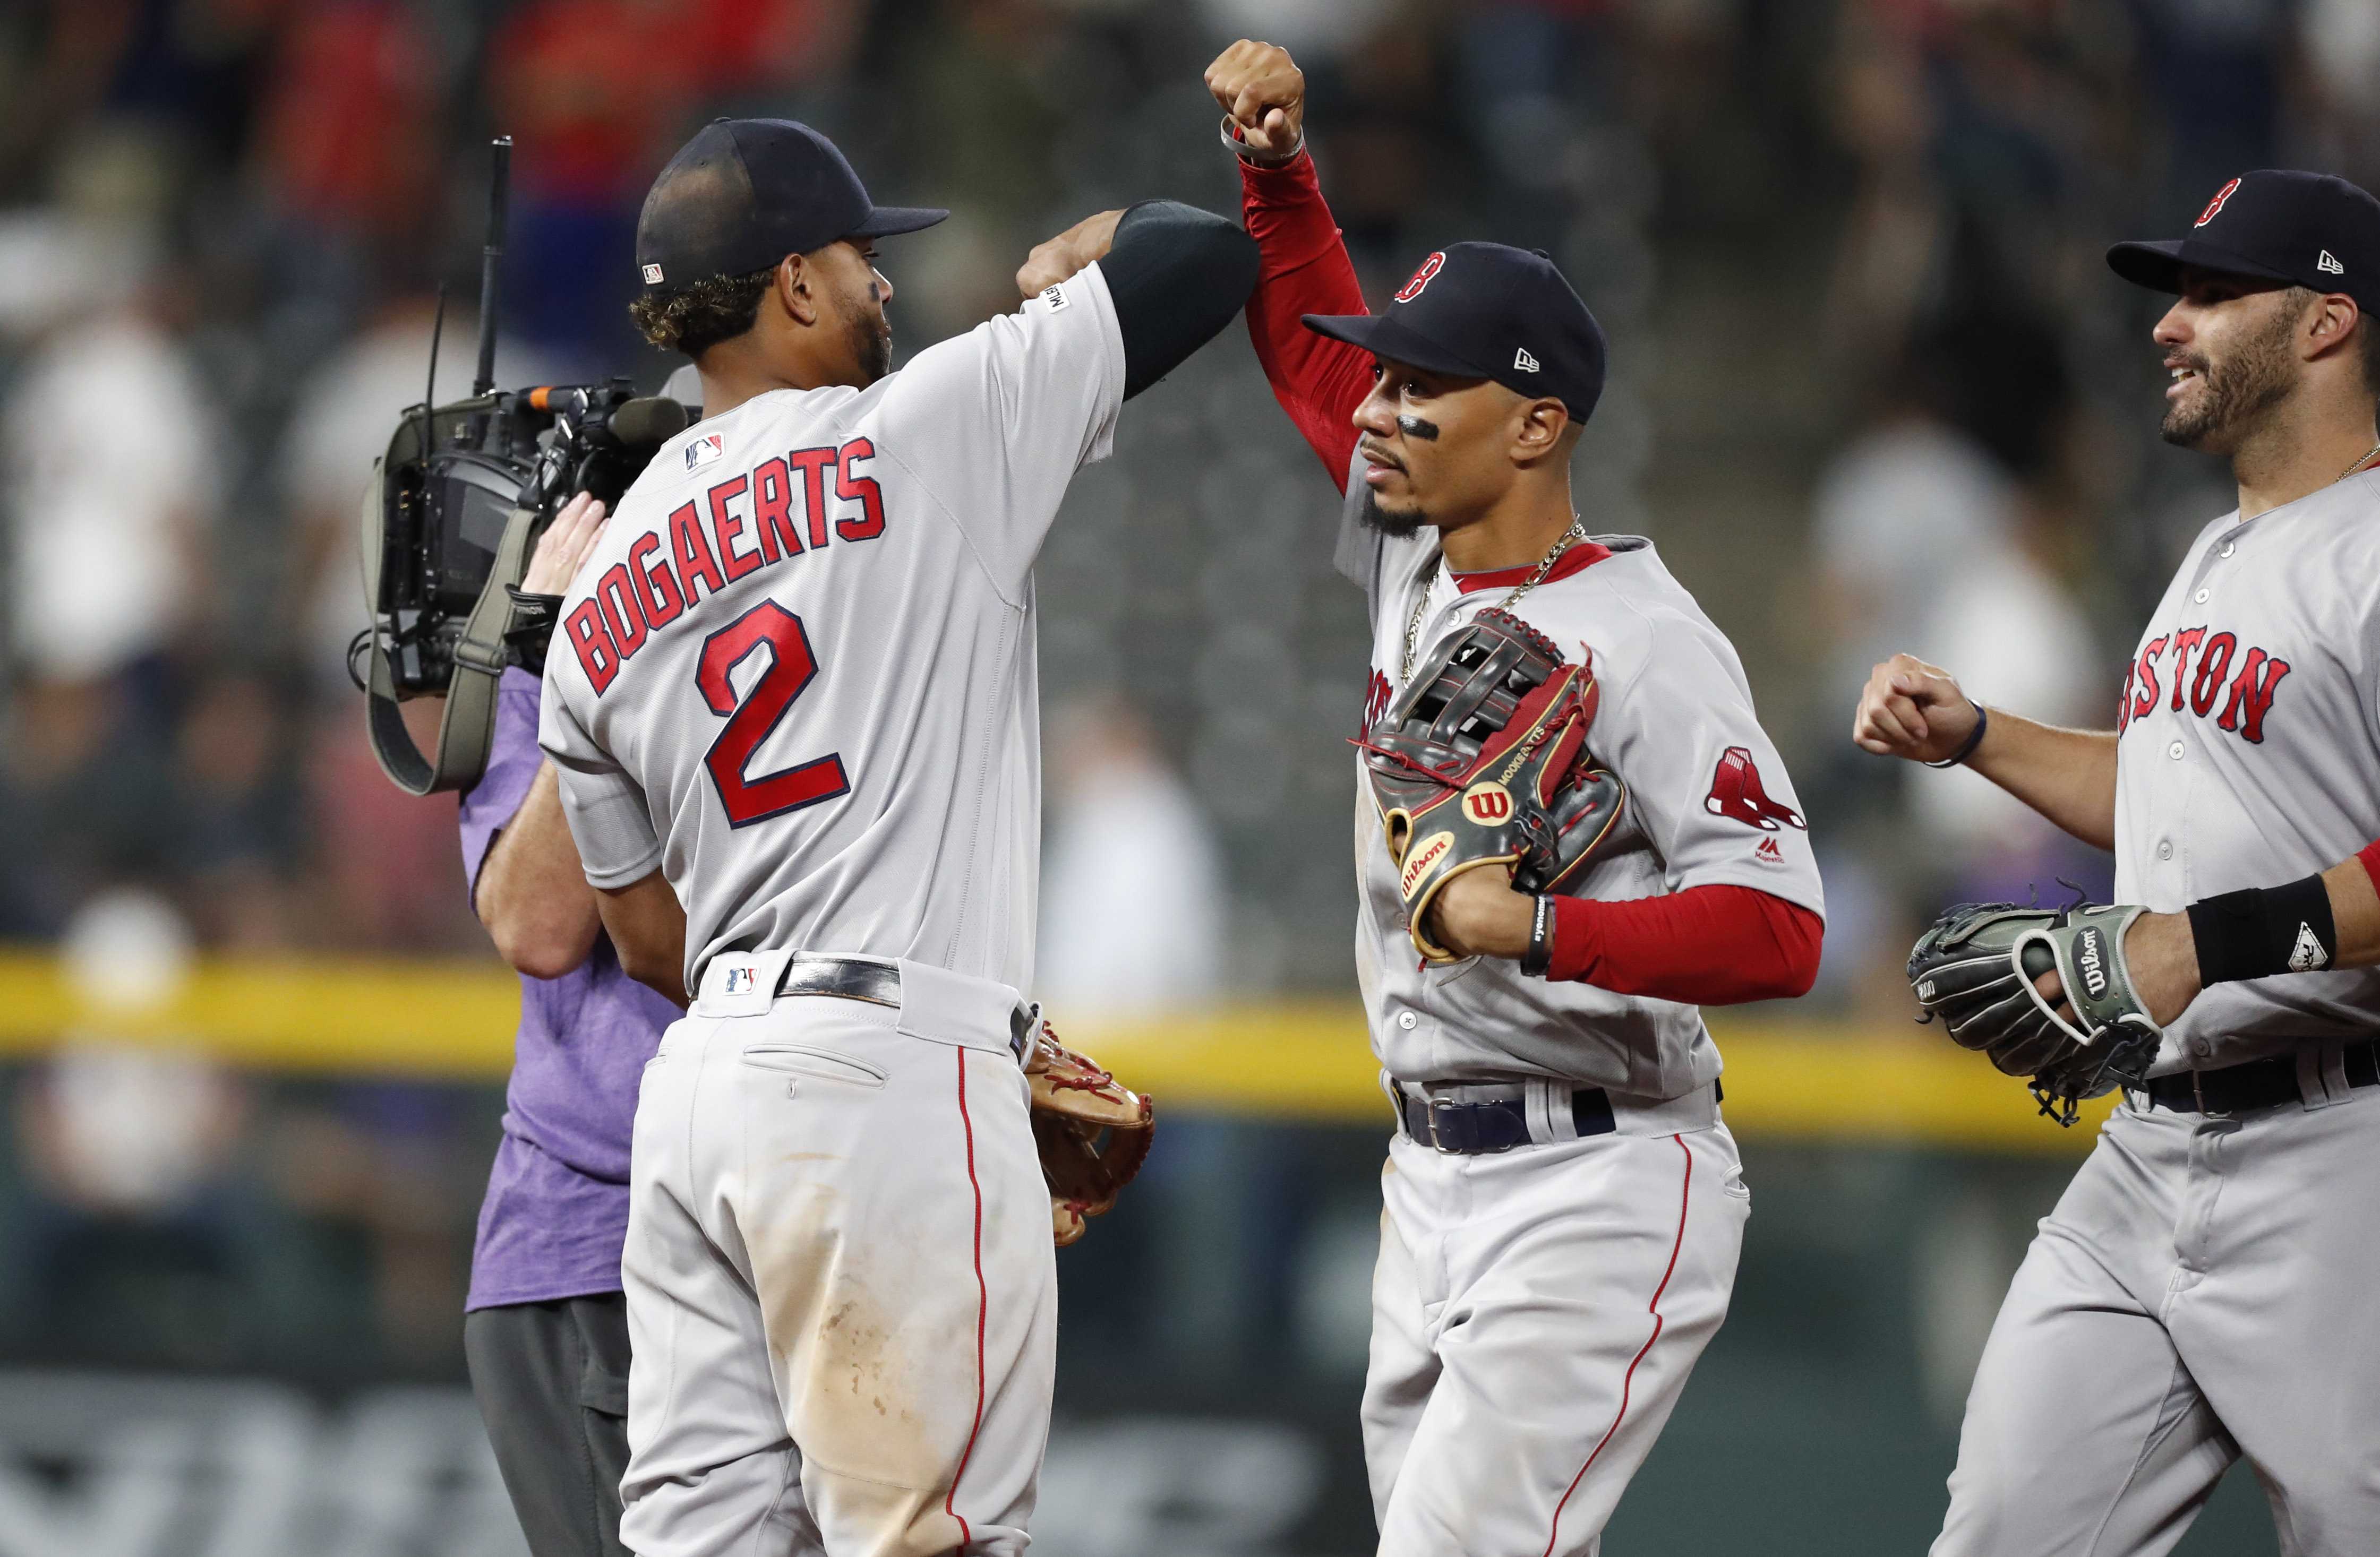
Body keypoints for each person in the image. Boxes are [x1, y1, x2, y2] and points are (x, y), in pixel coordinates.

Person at [535, 119, 1256, 1557]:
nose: (886, 290)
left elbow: (641, 939)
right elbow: (1206, 249)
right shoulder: (921, 426)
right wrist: (1072, 256)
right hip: (890, 1066)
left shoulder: (596, 587)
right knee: (932, 1537)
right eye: (866, 262)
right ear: (794, 285)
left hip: (701, 1099)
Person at [1206, 40, 1825, 1555]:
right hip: (1430, 1170)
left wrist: (1536, 925)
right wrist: (1279, 177)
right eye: (1393, 375)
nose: (1381, 410)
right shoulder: (1423, 551)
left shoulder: (1649, 639)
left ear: (1536, 423)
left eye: (1425, 385)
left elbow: (1780, 931)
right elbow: (1309, 356)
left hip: (1603, 1172)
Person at [1853, 168, 2380, 1555]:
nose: (2170, 321)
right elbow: (2165, 793)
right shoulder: (2217, 546)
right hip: (2151, 1148)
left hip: (2343, 1159)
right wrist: (1977, 733)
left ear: (2327, 324)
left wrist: (2193, 944)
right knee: (2004, 1530)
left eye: (2213, 294)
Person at [455, 492, 678, 1557]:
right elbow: (538, 926)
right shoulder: (541, 662)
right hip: (596, 1243)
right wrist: (588, 639)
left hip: (780, 1219)